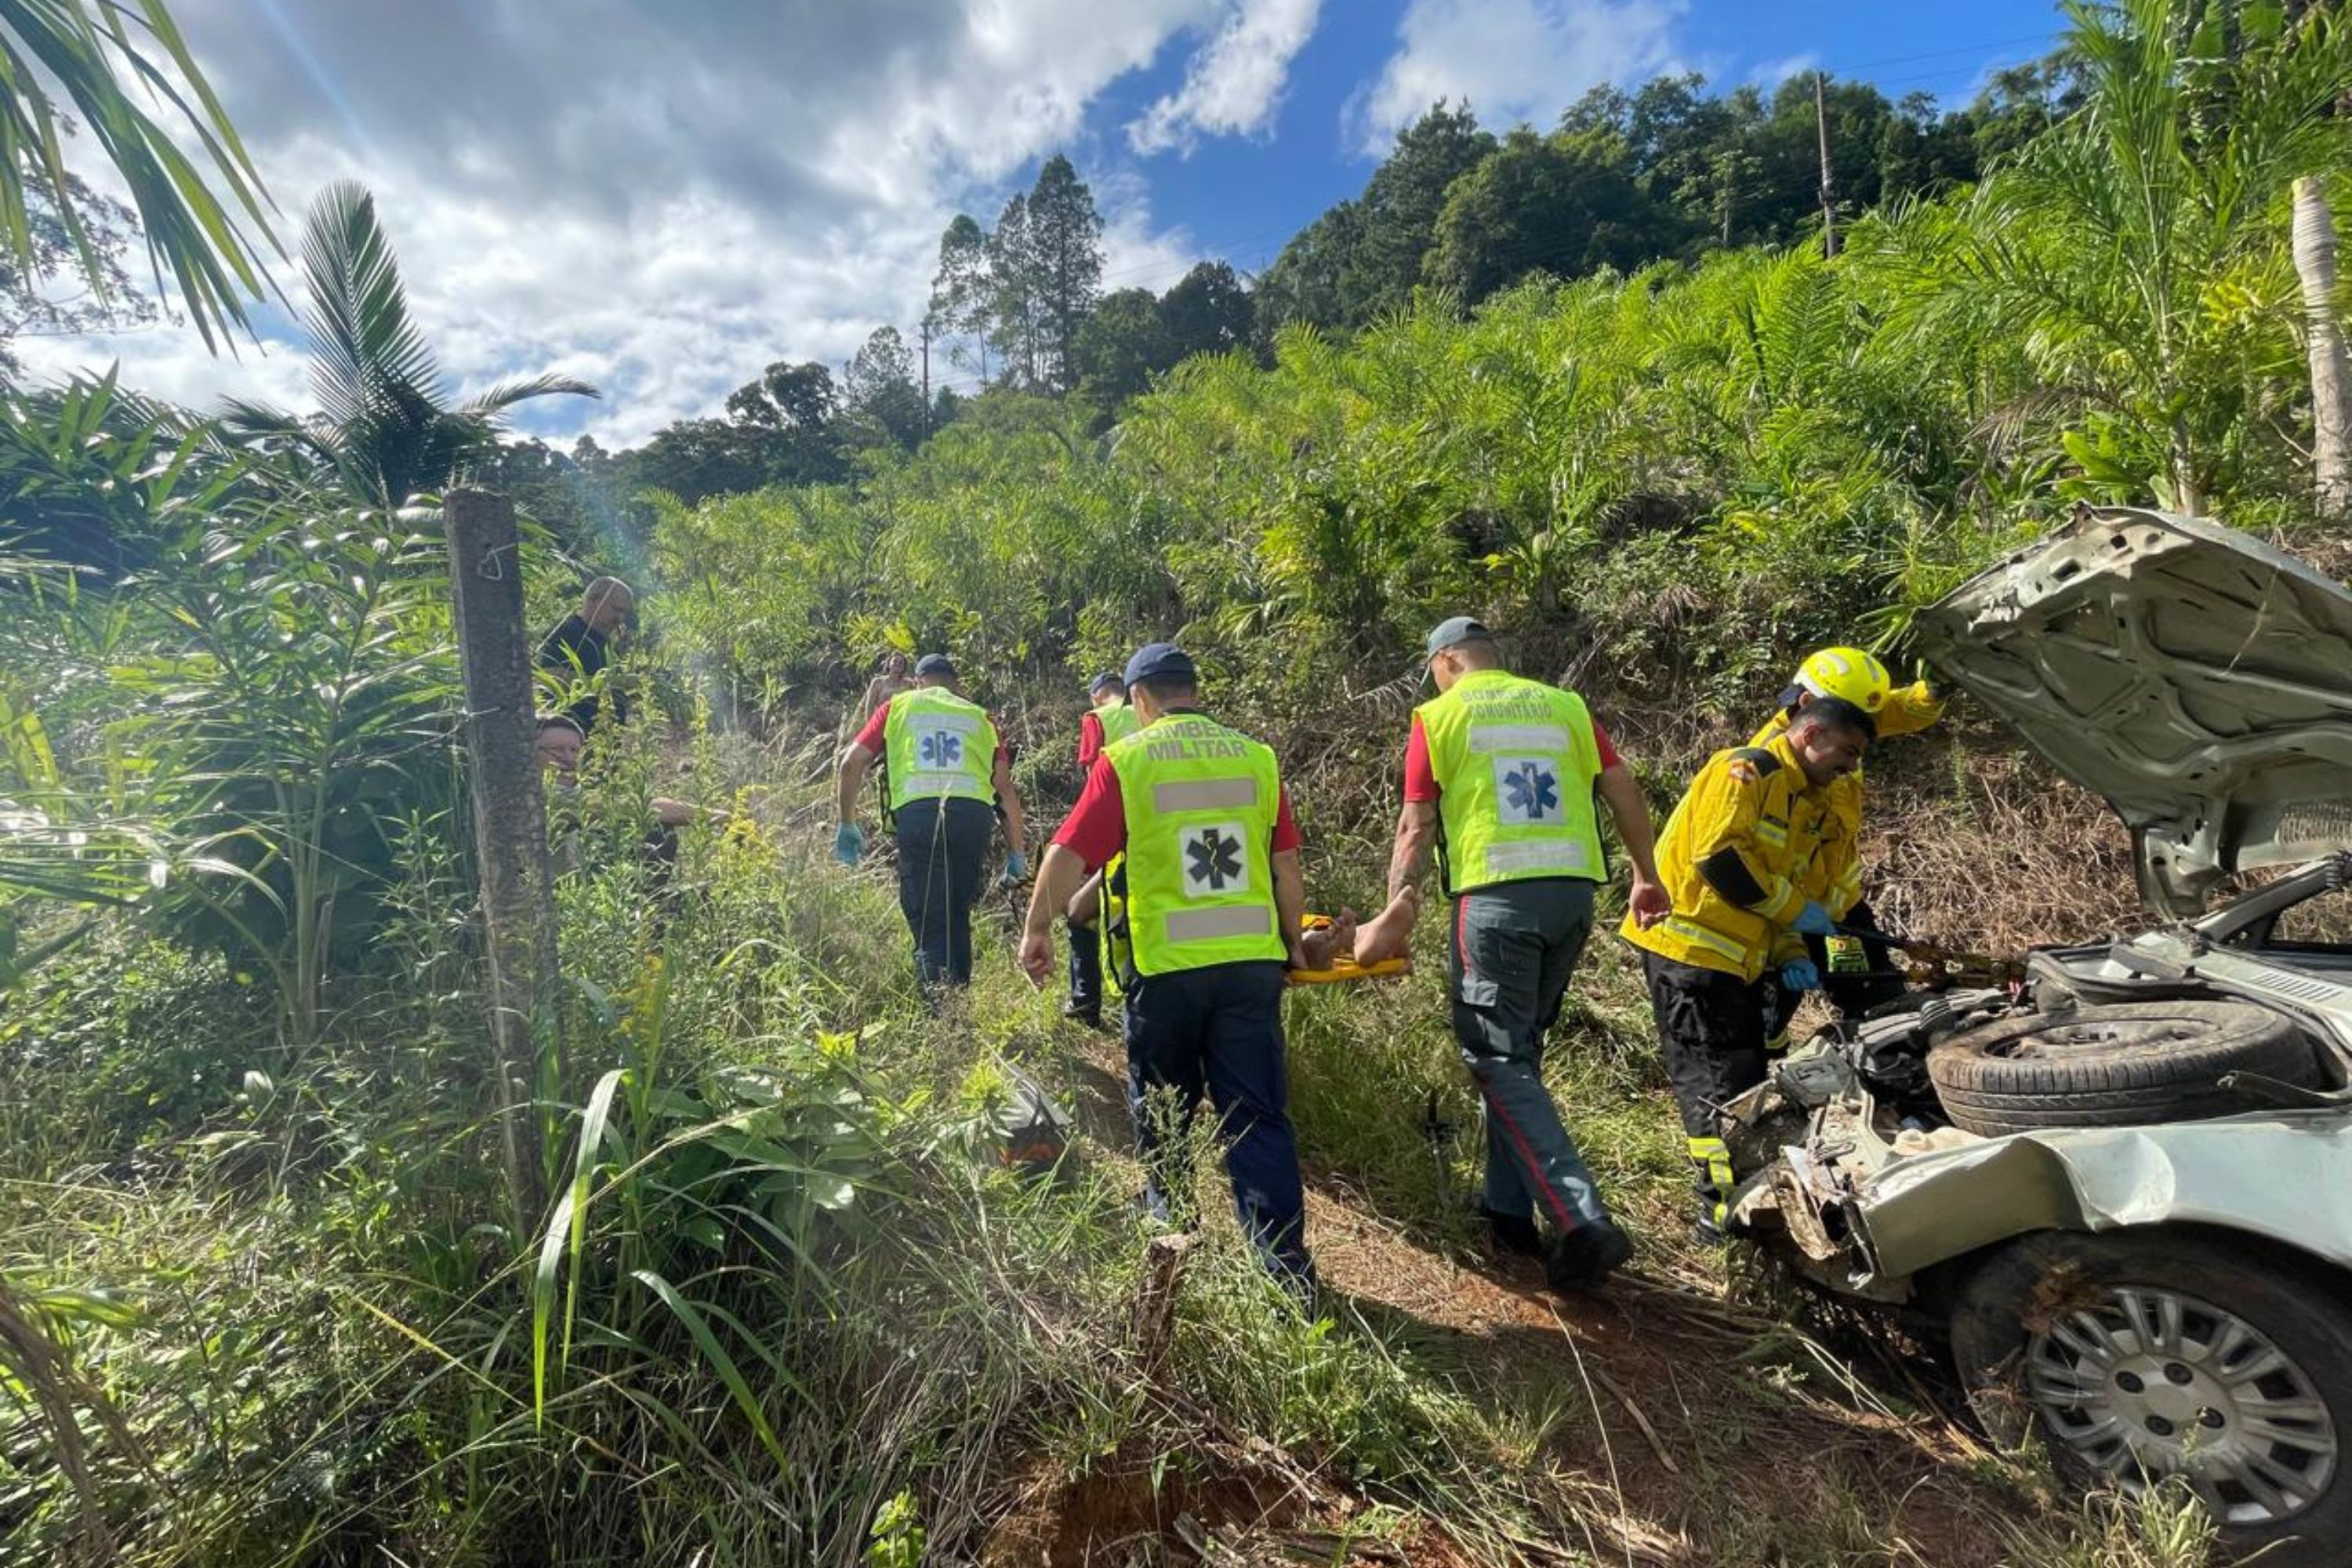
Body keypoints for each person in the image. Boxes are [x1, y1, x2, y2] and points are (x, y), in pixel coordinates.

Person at [1361, 618, 1668, 1293]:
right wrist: (1645, 875)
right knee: (1520, 1054)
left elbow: (1417, 823)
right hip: (1571, 900)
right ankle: (1508, 1215)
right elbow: (1622, 791)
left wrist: (1397, 908)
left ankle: (1579, 1215)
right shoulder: (1566, 707)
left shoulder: (1439, 716)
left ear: (1444, 661)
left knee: (1493, 1057)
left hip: (1495, 900)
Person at [1014, 644, 1315, 1290]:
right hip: (1249, 967)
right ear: (1194, 691)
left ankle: (1172, 1228)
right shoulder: (1257, 758)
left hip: (1169, 970)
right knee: (1257, 1116)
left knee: (1165, 1106)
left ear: (1140, 700)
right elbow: (1285, 868)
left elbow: (1069, 853)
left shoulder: (1129, 760)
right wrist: (1293, 941)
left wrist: (1037, 927)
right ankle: (1287, 1274)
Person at [1622, 698, 1874, 1241]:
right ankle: (1719, 1219)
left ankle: (1745, 1203)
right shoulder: (1747, 770)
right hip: (1690, 954)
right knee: (1718, 1093)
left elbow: (1777, 887)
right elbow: (1719, 860)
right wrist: (1793, 914)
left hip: (1736, 962)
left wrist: (1793, 954)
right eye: (1847, 751)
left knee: (1747, 1088)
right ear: (1811, 735)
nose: (1852, 767)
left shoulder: (1802, 799)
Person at [1748, 648, 1943, 1029]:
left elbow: (1897, 711)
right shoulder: (1771, 765)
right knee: (1767, 1026)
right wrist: (1786, 933)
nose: (1854, 760)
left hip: (1839, 908)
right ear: (1809, 712)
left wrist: (1932, 692)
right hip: (1787, 908)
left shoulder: (1836, 731)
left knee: (1883, 1008)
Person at [836, 653, 1027, 993]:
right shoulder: (981, 717)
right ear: (955, 684)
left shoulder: (898, 707)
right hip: (973, 819)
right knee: (957, 912)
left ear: (919, 681)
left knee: (929, 918)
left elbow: (851, 763)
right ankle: (958, 1002)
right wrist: (1017, 854)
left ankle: (942, 1017)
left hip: (920, 817)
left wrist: (847, 824)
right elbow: (1005, 790)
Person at [1066, 673, 1142, 1026]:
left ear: (1096, 696)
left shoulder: (1097, 719)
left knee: (1079, 914)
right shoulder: (1147, 710)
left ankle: (1086, 1004)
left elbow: (1094, 789)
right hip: (1166, 830)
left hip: (1122, 836)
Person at [537, 578, 634, 735]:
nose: (620, 618)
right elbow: (548, 677)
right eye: (616, 609)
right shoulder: (568, 632)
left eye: (624, 612)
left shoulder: (606, 642)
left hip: (603, 743)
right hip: (569, 740)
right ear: (593, 599)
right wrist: (608, 684)